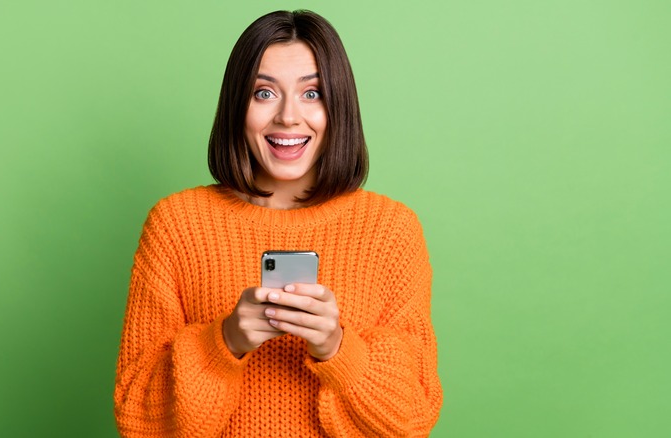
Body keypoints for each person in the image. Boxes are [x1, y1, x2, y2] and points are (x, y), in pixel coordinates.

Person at [114, 9, 442, 437]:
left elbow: (413, 419)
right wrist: (225, 340)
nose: (288, 117)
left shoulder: (391, 229)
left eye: (312, 94)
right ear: (237, 106)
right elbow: (138, 418)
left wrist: (337, 349)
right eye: (264, 93)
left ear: (338, 106)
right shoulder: (176, 224)